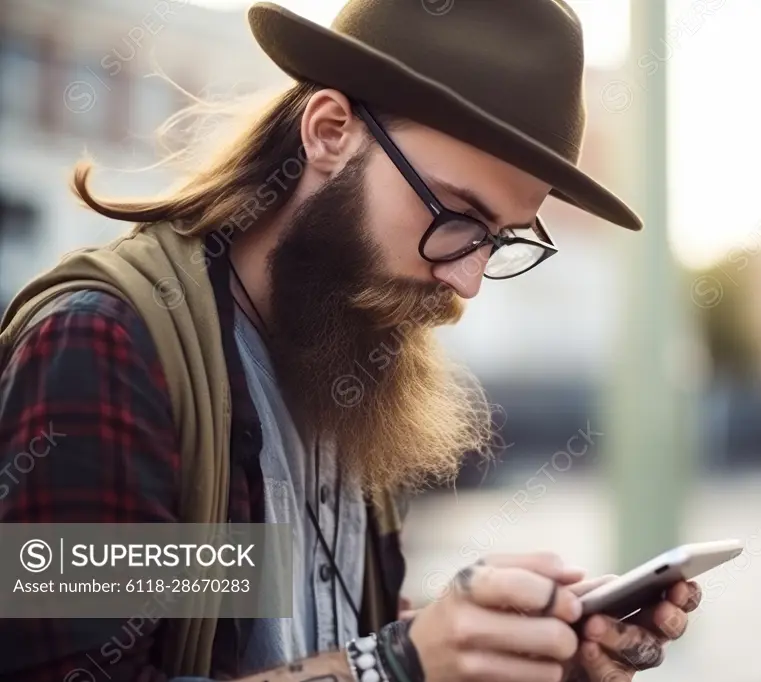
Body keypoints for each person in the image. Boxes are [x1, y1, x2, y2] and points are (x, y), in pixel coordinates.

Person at [0, 1, 700, 681]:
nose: (466, 281)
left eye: (497, 240)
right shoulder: (105, 349)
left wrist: (515, 653)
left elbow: (281, 623)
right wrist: (394, 667)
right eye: (456, 215)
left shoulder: (341, 352)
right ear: (330, 131)